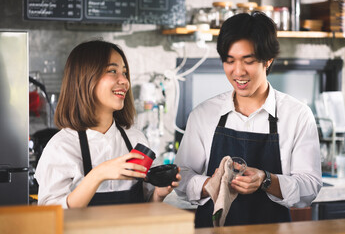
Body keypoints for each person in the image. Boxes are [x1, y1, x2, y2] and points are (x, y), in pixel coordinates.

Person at [174, 12, 322, 227]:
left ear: (268, 60)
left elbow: (310, 186)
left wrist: (266, 179)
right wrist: (212, 184)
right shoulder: (204, 114)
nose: (238, 71)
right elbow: (182, 178)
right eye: (229, 61)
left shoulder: (297, 115)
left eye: (249, 61)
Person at [35, 40, 180, 208]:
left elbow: (145, 208)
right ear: (85, 78)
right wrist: (99, 174)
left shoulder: (135, 139)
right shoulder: (61, 147)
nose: (124, 81)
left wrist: (158, 194)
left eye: (124, 73)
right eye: (112, 71)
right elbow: (51, 215)